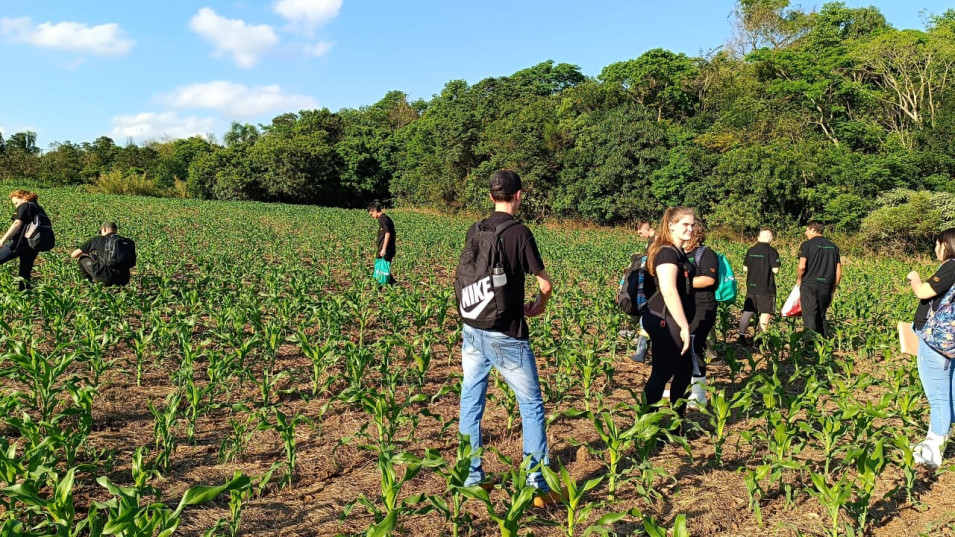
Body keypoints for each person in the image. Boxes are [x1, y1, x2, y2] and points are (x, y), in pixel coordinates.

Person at [457, 169, 558, 506]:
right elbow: (544, 284)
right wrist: (538, 306)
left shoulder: (476, 228)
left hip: (472, 328)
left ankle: (471, 476)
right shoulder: (520, 233)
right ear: (519, 195)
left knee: (472, 399)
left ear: (491, 197)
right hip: (507, 334)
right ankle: (535, 484)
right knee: (530, 405)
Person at [642, 207, 696, 419]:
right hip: (665, 320)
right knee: (662, 372)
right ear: (671, 225)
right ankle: (646, 427)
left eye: (692, 224)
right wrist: (683, 326)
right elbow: (669, 291)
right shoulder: (666, 252)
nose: (690, 229)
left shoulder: (678, 251)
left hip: (673, 320)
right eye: (685, 224)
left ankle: (676, 425)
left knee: (683, 373)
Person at [907, 228, 955, 467]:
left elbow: (924, 291)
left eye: (937, 244)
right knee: (949, 392)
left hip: (937, 340)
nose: (936, 249)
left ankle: (932, 451)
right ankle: (941, 440)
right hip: (951, 340)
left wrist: (914, 277)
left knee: (938, 395)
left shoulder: (952, 266)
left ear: (945, 245)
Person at [684, 223, 718, 408]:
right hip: (685, 307)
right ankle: (688, 388)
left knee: (693, 346)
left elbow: (709, 279)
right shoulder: (680, 254)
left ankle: (699, 396)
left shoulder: (706, 253)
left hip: (702, 307)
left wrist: (681, 282)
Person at [737, 228, 781, 342]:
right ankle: (759, 340)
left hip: (751, 287)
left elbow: (745, 268)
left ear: (758, 238)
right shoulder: (772, 251)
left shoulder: (751, 250)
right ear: (771, 239)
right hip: (766, 288)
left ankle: (741, 336)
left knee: (747, 311)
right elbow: (775, 270)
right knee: (765, 314)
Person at [797, 221, 841, 336]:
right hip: (826, 285)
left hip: (809, 285)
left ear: (813, 230)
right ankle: (823, 345)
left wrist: (799, 280)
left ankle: (810, 348)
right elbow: (838, 272)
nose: (806, 233)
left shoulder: (806, 245)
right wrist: (832, 289)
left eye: (807, 230)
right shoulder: (833, 247)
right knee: (821, 316)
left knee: (810, 316)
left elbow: (802, 266)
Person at [0, 189, 49, 290]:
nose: (16, 206)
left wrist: (2, 240)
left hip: (19, 243)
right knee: (25, 274)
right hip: (33, 245)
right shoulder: (39, 208)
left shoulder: (25, 205)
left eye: (16, 202)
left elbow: (17, 224)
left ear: (23, 197)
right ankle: (26, 297)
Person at [70, 222, 132, 286]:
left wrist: (86, 254)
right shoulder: (127, 242)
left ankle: (88, 286)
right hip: (124, 279)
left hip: (105, 278)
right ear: (115, 230)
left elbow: (73, 255)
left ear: (104, 229)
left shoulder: (97, 239)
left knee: (82, 259)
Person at [368, 202, 396, 284]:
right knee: (383, 268)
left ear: (375, 210)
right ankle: (393, 285)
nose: (372, 216)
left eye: (371, 214)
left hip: (385, 249)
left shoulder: (382, 219)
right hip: (389, 248)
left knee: (381, 268)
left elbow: (387, 233)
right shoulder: (387, 218)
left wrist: (383, 249)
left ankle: (378, 288)